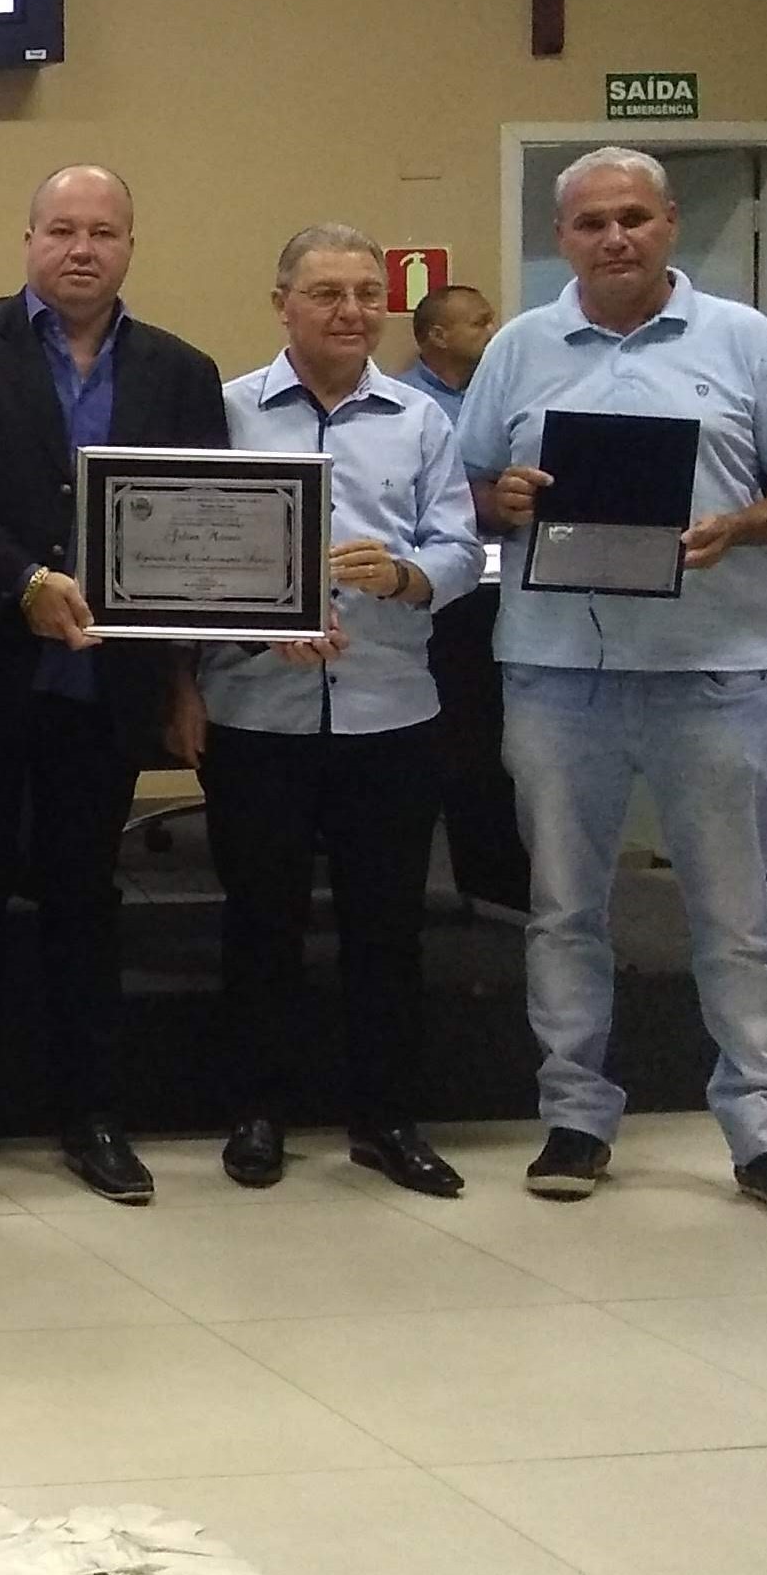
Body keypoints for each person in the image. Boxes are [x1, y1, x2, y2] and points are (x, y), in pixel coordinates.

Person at [0, 164, 229, 1205]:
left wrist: (183, 677)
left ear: (132, 244)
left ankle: (93, 1112)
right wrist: (26, 582)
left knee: (86, 897)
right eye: (62, 229)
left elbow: (196, 537)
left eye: (104, 232)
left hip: (109, 683)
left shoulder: (180, 368)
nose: (82, 248)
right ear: (28, 235)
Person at [457, 146, 767, 1203]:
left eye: (634, 216)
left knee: (735, 915)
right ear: (564, 237)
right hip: (555, 668)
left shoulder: (745, 340)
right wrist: (503, 499)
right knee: (563, 906)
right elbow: (473, 484)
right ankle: (574, 1117)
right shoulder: (519, 346)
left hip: (714, 670)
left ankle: (759, 1125)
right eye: (591, 223)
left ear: (671, 221)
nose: (615, 237)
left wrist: (742, 522)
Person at [190, 226, 479, 1199]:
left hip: (390, 712)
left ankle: (387, 1116)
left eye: (367, 293)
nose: (351, 310)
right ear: (282, 302)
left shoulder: (420, 420)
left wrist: (404, 574)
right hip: (256, 711)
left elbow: (459, 544)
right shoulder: (223, 410)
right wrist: (253, 616)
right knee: (260, 921)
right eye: (327, 293)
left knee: (387, 928)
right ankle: (259, 1111)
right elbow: (186, 556)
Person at [406, 284, 531, 911]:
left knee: (489, 737)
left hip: (496, 584)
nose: (494, 327)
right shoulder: (408, 407)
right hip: (428, 593)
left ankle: (495, 883)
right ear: (436, 336)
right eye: (479, 320)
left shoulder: (502, 397)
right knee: (458, 735)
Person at [402, 286, 496, 423]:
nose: (494, 332)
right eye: (480, 323)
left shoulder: (500, 391)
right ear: (439, 337)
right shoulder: (402, 400)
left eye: (491, 322)